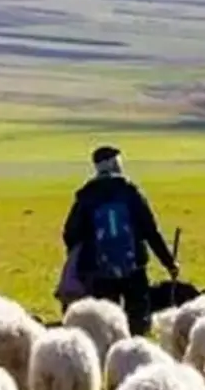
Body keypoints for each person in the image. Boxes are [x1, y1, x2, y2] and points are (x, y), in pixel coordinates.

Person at [59, 144, 179, 336]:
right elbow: (151, 231)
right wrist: (169, 262)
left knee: (106, 321)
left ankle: (110, 356)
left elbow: (70, 233)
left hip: (99, 271)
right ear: (116, 164)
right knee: (137, 318)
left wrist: (83, 258)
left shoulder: (86, 196)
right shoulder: (130, 192)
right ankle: (136, 353)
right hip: (133, 267)